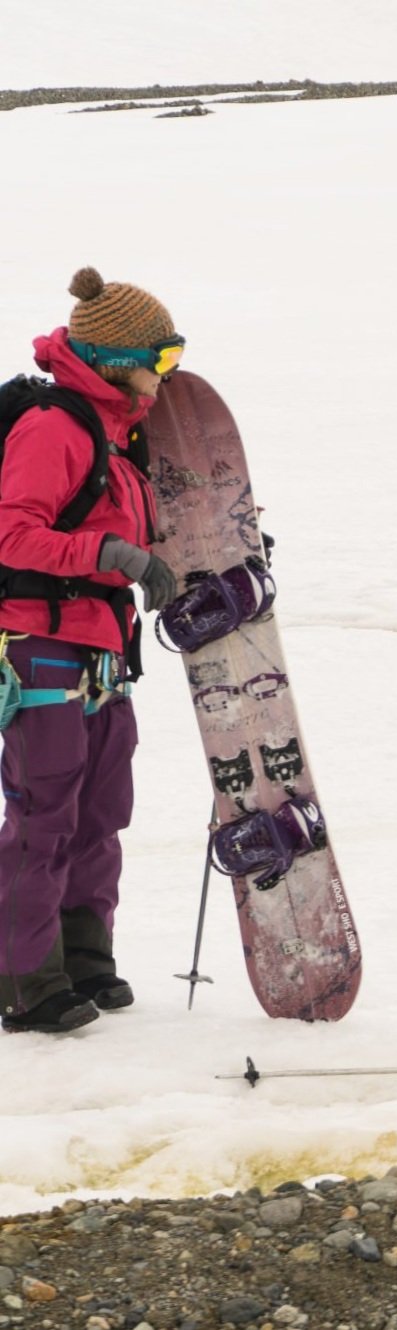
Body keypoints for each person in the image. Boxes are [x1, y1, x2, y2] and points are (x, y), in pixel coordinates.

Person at [0, 267, 182, 1034]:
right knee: (45, 813)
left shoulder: (114, 431)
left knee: (101, 811)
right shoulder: (54, 428)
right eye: (160, 359)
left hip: (105, 653)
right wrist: (116, 557)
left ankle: (84, 959)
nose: (165, 376)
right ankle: (25, 980)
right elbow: (13, 534)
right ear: (116, 358)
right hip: (41, 645)